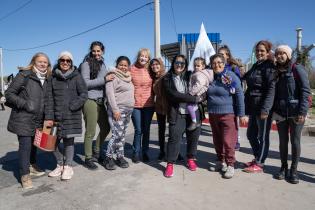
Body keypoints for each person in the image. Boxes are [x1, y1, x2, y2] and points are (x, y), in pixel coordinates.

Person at [6, 52, 51, 189]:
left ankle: (32, 165)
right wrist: (25, 104)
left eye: (45, 62)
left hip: (39, 118)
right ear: (34, 62)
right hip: (24, 117)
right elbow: (9, 94)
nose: (43, 64)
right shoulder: (24, 75)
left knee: (34, 144)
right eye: (40, 61)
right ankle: (24, 175)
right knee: (25, 146)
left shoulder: (48, 78)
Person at [46, 51, 88, 180]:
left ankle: (68, 166)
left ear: (71, 63)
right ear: (59, 62)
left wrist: (73, 106)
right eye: (62, 60)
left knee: (69, 141)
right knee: (50, 142)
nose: (65, 62)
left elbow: (84, 94)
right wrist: (49, 115)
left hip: (71, 114)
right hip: (54, 115)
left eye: (68, 60)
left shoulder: (77, 76)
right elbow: (49, 98)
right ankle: (59, 164)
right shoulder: (52, 77)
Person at [273, 45, 311, 184]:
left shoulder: (297, 68)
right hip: (280, 112)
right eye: (278, 54)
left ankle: (294, 171)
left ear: (288, 55)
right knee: (283, 142)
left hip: (296, 113)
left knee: (295, 141)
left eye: (283, 53)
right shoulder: (276, 71)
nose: (280, 56)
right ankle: (284, 167)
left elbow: (306, 91)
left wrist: (302, 111)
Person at [163, 55, 202, 178]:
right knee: (174, 138)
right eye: (177, 62)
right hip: (177, 113)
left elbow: (203, 87)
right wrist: (194, 98)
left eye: (182, 63)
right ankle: (170, 164)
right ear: (173, 63)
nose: (179, 65)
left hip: (193, 113)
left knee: (193, 137)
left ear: (185, 65)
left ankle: (190, 158)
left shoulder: (191, 75)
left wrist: (201, 97)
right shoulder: (167, 78)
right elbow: (173, 95)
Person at [207, 54, 246, 179]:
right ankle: (220, 161)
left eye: (219, 62)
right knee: (217, 140)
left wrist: (241, 114)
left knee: (228, 141)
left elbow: (239, 95)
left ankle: (230, 165)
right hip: (213, 114)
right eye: (214, 63)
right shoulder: (210, 77)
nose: (217, 65)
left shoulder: (230, 76)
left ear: (224, 64)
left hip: (228, 114)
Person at [243, 40, 276, 173]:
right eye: (257, 50)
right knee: (251, 134)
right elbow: (245, 77)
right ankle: (258, 157)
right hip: (253, 106)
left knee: (262, 136)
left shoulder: (270, 67)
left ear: (268, 52)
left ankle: (260, 163)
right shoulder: (256, 65)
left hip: (263, 107)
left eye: (262, 50)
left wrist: (266, 108)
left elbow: (271, 89)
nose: (259, 53)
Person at [80, 41, 110, 170]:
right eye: (94, 51)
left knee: (106, 127)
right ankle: (88, 157)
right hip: (90, 100)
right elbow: (85, 83)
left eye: (99, 51)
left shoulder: (103, 64)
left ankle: (97, 150)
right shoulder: (86, 64)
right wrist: (104, 80)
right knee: (90, 131)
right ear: (91, 51)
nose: (96, 53)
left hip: (101, 101)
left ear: (102, 51)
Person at [103, 56, 134, 170]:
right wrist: (115, 110)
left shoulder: (128, 78)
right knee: (117, 135)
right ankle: (108, 157)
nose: (123, 67)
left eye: (125, 65)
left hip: (128, 110)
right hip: (118, 110)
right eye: (121, 64)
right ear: (117, 65)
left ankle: (120, 156)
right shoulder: (113, 76)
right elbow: (110, 94)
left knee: (122, 135)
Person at [130, 48, 155, 163]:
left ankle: (145, 152)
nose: (143, 58)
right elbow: (122, 76)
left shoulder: (150, 70)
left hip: (148, 104)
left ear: (148, 59)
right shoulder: (131, 69)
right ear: (138, 56)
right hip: (135, 105)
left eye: (145, 56)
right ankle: (136, 152)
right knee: (138, 129)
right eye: (141, 56)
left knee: (146, 129)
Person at [218, 45, 242, 150]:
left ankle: (235, 142)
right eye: (219, 54)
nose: (221, 56)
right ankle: (224, 144)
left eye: (222, 54)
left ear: (227, 56)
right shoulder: (217, 67)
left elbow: (238, 83)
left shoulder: (233, 67)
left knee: (233, 121)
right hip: (222, 99)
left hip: (233, 99)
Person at [187, 57, 213, 131]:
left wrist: (191, 93)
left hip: (198, 94)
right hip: (200, 93)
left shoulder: (200, 74)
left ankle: (194, 121)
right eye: (195, 65)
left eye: (198, 66)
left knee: (189, 106)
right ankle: (198, 120)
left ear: (203, 66)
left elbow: (199, 85)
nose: (196, 67)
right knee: (193, 107)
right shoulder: (199, 73)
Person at [149, 58, 168, 161]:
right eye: (152, 65)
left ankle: (175, 152)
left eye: (157, 64)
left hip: (170, 107)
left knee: (173, 131)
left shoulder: (167, 76)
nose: (154, 66)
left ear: (161, 65)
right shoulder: (153, 78)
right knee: (161, 130)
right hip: (159, 107)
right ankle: (162, 151)